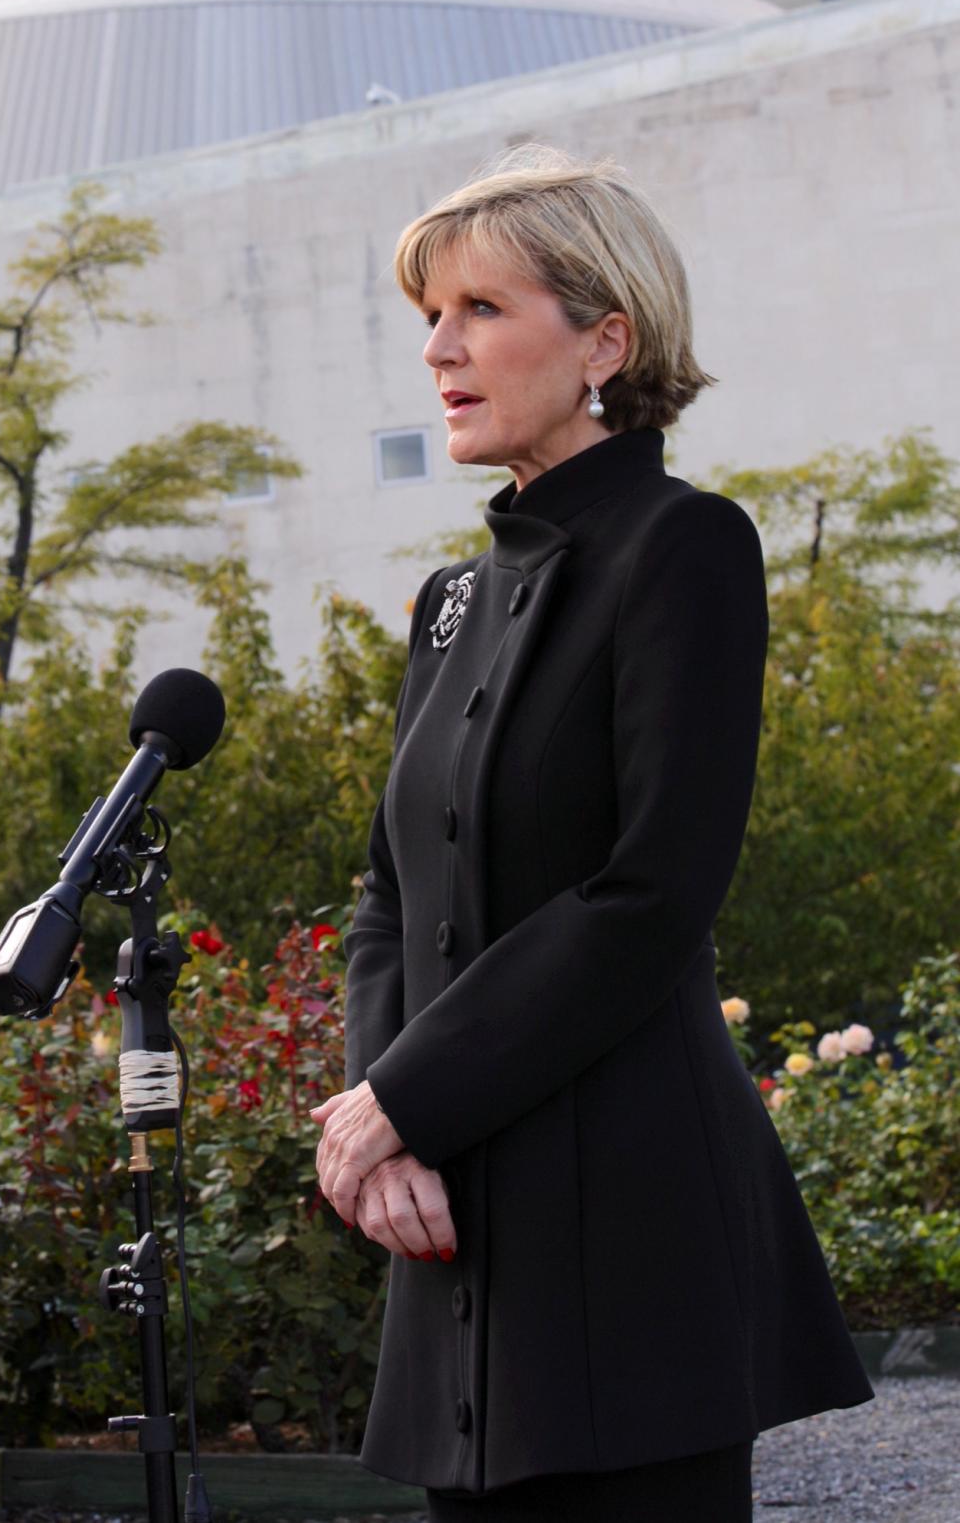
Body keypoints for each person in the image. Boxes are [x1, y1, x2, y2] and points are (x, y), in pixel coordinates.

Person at [310, 150, 875, 1521]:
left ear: (605, 341)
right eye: (429, 318)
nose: (439, 349)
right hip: (459, 1224)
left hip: (635, 1228)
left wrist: (405, 1105)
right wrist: (385, 1127)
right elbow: (391, 894)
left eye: (481, 311)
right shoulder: (450, 602)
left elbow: (650, 892)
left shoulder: (686, 547)